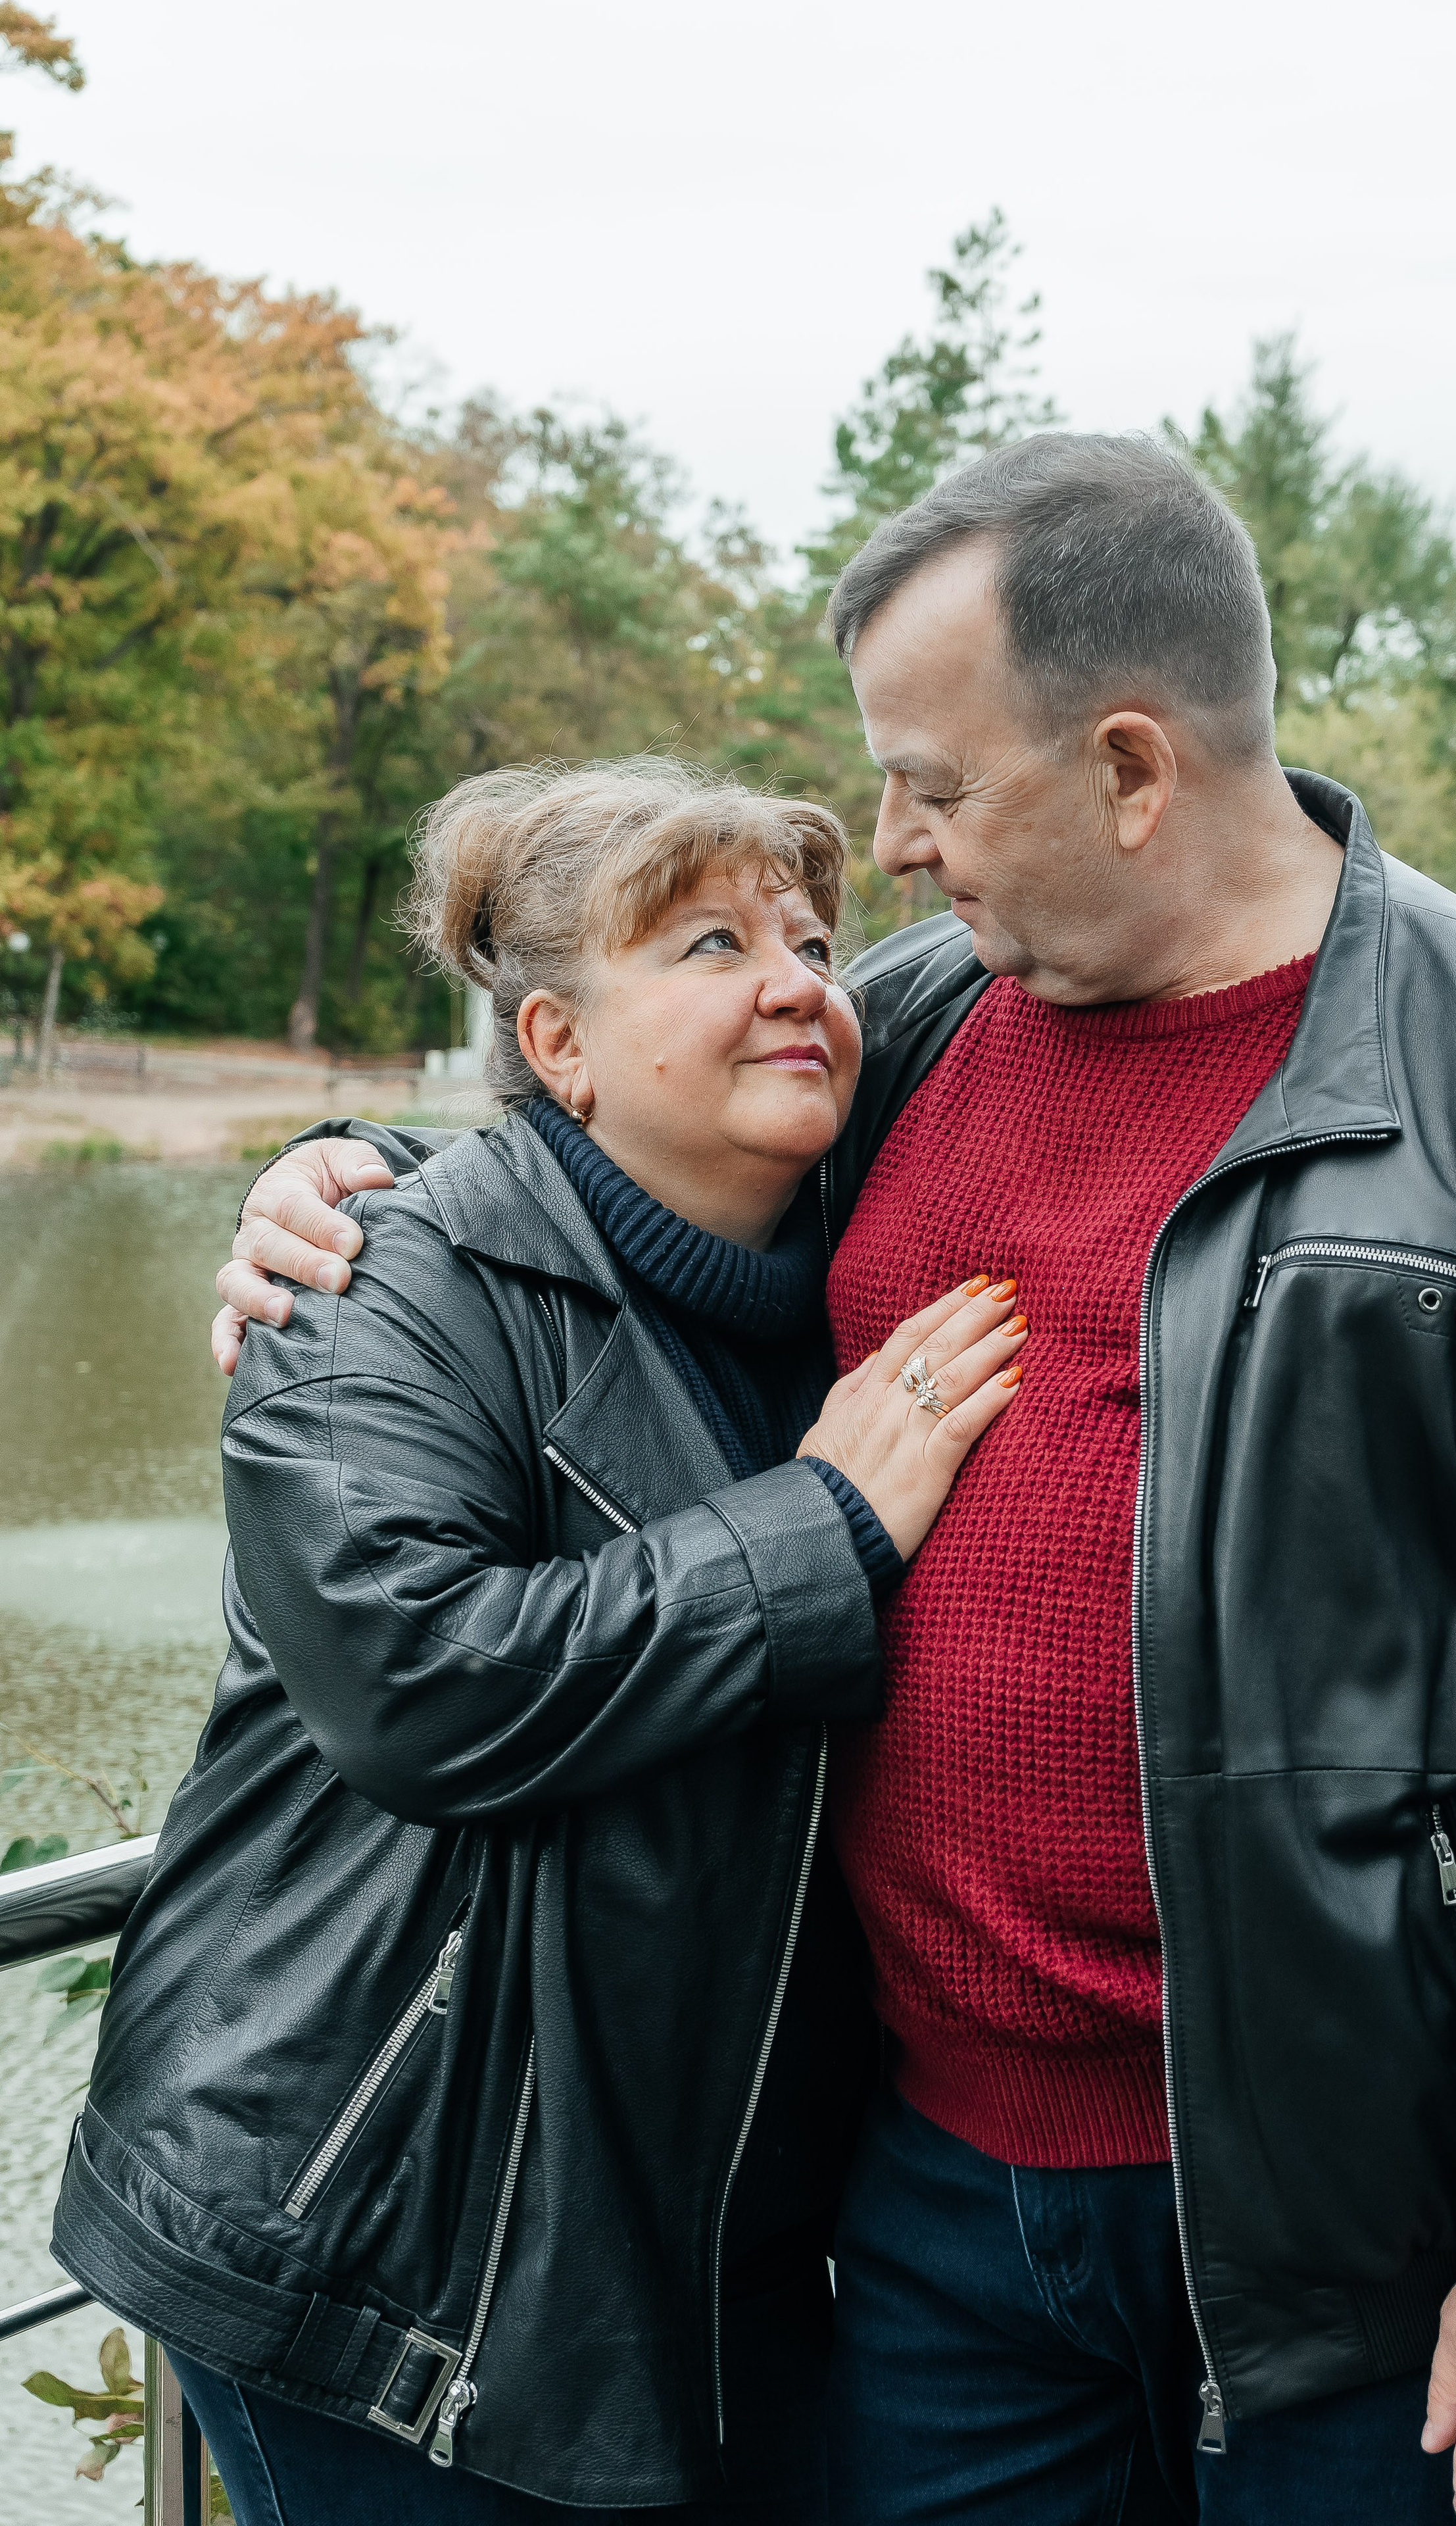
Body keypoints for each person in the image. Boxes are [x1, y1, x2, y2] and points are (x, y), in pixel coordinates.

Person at [214, 435, 1456, 2526]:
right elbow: (614, 1155)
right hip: (922, 2216)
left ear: (1133, 769)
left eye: (933, 783)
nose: (887, 850)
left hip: (1360, 2247)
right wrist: (338, 1198)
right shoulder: (908, 1031)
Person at [53, 760, 1030, 2523]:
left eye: (811, 938)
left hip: (709, 2229)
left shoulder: (858, 1285)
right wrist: (823, 1525)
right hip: (383, 2227)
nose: (801, 977)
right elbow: (427, 1681)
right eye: (713, 941)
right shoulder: (365, 1283)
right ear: (561, 1046)